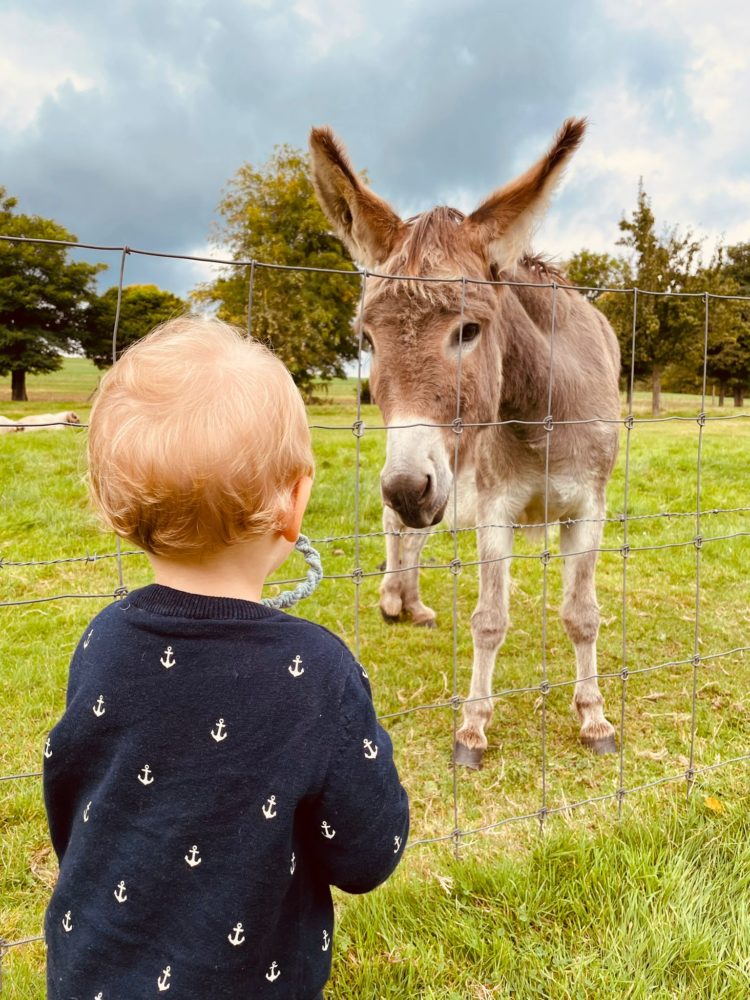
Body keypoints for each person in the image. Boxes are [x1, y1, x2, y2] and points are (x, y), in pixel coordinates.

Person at [43, 317, 409, 999]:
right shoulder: (316, 673)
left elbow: (73, 804)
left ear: (113, 505)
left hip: (88, 976)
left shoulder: (102, 642)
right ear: (294, 504)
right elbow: (366, 853)